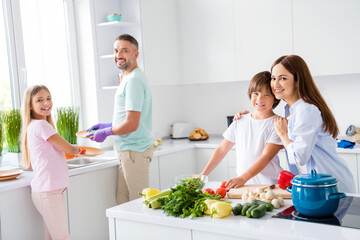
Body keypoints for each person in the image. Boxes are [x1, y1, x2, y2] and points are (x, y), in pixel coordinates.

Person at [235, 55, 356, 193]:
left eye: (283, 78)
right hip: (315, 186)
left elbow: (299, 157)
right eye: (274, 78)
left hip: (331, 185)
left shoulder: (306, 110)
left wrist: (283, 134)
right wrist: (249, 118)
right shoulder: (291, 110)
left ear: (298, 81)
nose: (275, 84)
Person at [87, 34, 153, 204]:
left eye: (125, 50)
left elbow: (131, 124)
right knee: (124, 204)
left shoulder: (133, 81)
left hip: (134, 152)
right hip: (127, 151)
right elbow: (129, 117)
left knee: (138, 206)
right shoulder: (128, 78)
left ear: (136, 54)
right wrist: (108, 126)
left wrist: (107, 131)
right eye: (116, 51)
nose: (119, 55)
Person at [197, 71, 283, 189]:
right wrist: (204, 173)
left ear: (275, 98)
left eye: (266, 94)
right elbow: (222, 148)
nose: (260, 99)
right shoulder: (240, 120)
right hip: (244, 186)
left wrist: (243, 178)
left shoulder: (278, 124)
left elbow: (266, 156)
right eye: (256, 93)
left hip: (269, 186)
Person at [20, 85, 83, 240]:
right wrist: (78, 149)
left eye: (48, 98)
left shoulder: (33, 125)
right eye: (39, 100)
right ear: (30, 105)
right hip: (48, 193)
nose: (46, 103)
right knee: (62, 237)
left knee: (52, 237)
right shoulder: (42, 125)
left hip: (47, 192)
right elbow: (69, 149)